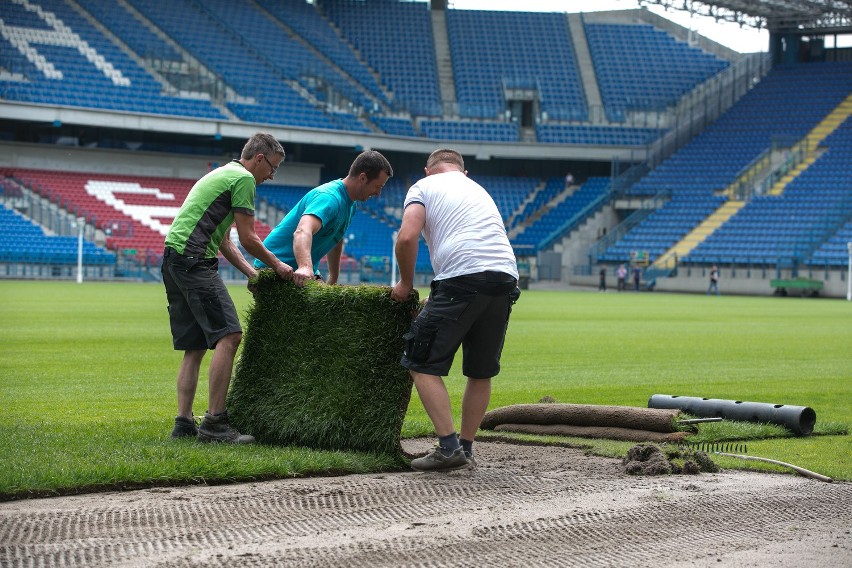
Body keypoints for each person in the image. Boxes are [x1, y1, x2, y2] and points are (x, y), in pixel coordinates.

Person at [391, 148, 520, 472]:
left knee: (420, 362)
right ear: (463, 171)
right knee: (480, 371)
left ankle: (449, 448)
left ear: (428, 169)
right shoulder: (477, 189)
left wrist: (405, 284)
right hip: (505, 278)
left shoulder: (423, 186)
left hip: (462, 277)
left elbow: (407, 237)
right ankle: (466, 447)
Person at [162, 132, 294, 443]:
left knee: (194, 348)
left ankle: (183, 425)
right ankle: (215, 425)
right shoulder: (244, 179)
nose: (272, 176)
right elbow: (249, 238)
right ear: (258, 158)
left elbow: (222, 239)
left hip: (174, 259)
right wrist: (278, 266)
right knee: (230, 335)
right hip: (194, 260)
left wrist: (252, 272)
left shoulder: (222, 173)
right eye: (272, 167)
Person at [256, 150, 393, 285]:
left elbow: (336, 239)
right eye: (378, 186)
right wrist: (305, 266)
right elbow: (302, 231)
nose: (378, 193)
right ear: (362, 178)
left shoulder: (351, 204)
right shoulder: (329, 198)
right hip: (273, 267)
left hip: (300, 271)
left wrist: (333, 277)